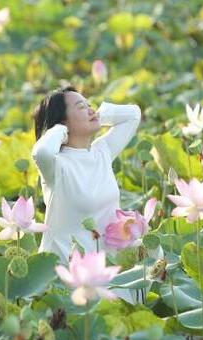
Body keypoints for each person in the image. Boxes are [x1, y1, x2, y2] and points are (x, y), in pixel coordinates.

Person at [31, 85, 141, 264]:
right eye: (81, 107)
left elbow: (133, 115)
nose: (90, 109)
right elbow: (41, 152)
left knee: (153, 253)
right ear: (63, 122)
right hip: (65, 271)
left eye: (89, 104)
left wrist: (101, 114)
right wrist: (61, 130)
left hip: (107, 266)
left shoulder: (102, 152)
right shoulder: (57, 166)